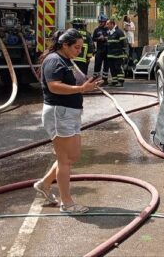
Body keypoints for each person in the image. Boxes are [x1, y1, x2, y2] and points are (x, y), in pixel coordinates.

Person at [34, 29, 103, 213]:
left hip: (70, 113)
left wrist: (87, 85)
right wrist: (81, 89)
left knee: (72, 156)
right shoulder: (54, 61)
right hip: (59, 113)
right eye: (76, 47)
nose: (79, 51)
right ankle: (67, 203)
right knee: (64, 159)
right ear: (65, 45)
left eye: (81, 47)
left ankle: (44, 184)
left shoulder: (65, 60)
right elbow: (54, 87)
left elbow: (74, 83)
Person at [105, 18, 128, 87]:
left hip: (118, 55)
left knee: (118, 68)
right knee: (112, 69)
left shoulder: (119, 32)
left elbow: (124, 43)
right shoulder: (110, 32)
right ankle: (114, 81)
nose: (106, 25)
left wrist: (125, 53)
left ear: (112, 24)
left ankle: (120, 82)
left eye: (107, 24)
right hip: (111, 55)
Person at [92, 15, 110, 79]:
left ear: (105, 22)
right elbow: (93, 39)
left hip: (107, 50)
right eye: (99, 22)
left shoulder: (109, 30)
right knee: (97, 64)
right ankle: (95, 79)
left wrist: (105, 38)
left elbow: (112, 38)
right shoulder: (96, 30)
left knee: (106, 65)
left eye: (101, 22)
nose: (100, 23)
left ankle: (105, 80)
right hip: (99, 50)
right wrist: (99, 38)